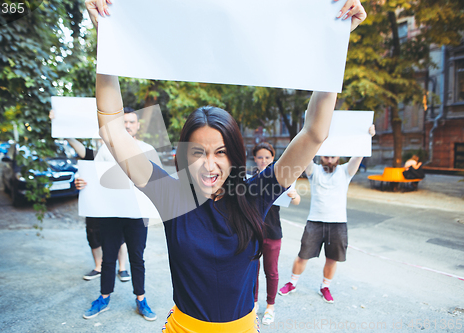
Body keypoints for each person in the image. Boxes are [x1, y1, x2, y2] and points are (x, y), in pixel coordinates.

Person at [86, 0, 366, 331]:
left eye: (220, 152)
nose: (209, 164)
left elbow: (315, 133)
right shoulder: (171, 195)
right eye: (197, 152)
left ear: (234, 155)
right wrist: (108, 40)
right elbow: (112, 130)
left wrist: (334, 44)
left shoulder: (256, 193)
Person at [71, 108, 162, 321]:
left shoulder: (147, 149)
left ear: (138, 125)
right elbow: (91, 177)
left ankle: (141, 299)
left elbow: (158, 180)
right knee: (108, 258)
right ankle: (103, 298)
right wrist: (81, 182)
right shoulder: (105, 150)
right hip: (110, 214)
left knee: (137, 258)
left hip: (138, 215)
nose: (128, 126)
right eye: (124, 123)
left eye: (131, 122)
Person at [278, 125, 375, 304]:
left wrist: (367, 135)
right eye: (326, 156)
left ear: (338, 157)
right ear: (320, 156)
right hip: (314, 222)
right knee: (303, 255)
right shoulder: (313, 171)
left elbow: (360, 153)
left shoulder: (346, 171)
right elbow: (305, 151)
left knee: (332, 258)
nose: (329, 160)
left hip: (338, 224)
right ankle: (292, 283)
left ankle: (325, 287)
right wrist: (308, 130)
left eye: (332, 156)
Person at [49, 110, 128, 282]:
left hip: (116, 204)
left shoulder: (122, 155)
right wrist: (60, 123)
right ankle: (98, 266)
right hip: (94, 204)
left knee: (120, 236)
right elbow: (77, 147)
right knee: (93, 234)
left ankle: (122, 268)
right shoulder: (93, 155)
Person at [252, 142, 301, 325]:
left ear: (273, 159)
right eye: (260, 157)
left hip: (272, 232)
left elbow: (296, 201)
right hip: (252, 233)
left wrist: (294, 195)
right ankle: (254, 303)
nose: (263, 160)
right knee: (252, 270)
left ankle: (270, 307)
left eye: (267, 157)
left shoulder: (280, 178)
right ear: (254, 159)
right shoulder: (250, 179)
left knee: (271, 272)